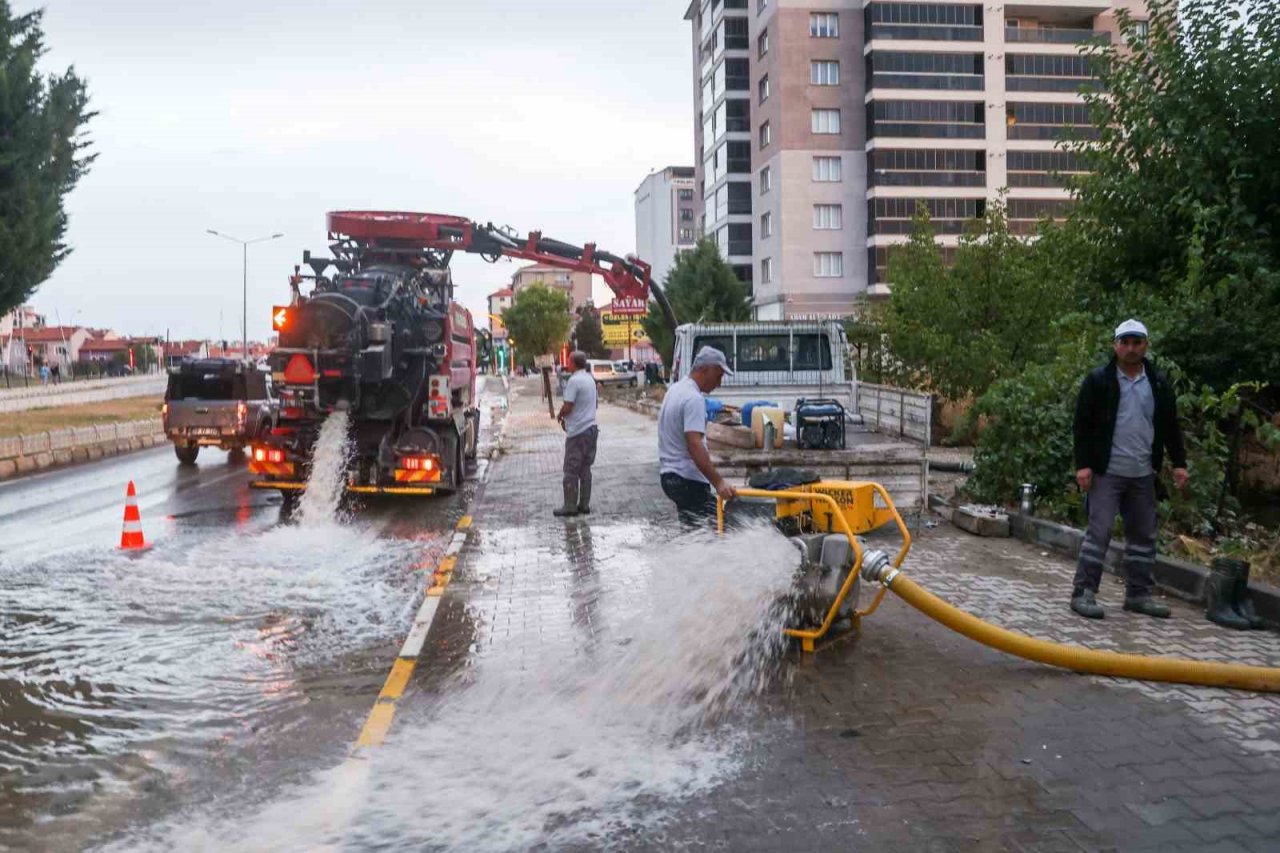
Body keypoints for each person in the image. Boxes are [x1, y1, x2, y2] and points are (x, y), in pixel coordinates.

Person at [1070, 319, 1189, 620]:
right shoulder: (1099, 381)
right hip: (1106, 471)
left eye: (1137, 342)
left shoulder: (1158, 384)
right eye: (1125, 342)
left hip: (1142, 473)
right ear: (1116, 345)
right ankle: (1084, 592)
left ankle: (1138, 594)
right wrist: (1083, 465)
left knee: (1144, 535)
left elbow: (1169, 426)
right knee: (1100, 531)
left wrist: (1179, 463)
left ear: (1145, 346)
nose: (1131, 348)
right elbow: (1082, 425)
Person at [658, 345, 738, 525]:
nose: (719, 383)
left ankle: (688, 553)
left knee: (694, 533)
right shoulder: (693, 399)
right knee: (722, 529)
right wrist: (719, 483)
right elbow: (694, 444)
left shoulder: (675, 390)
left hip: (670, 476)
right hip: (687, 480)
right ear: (704, 369)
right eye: (718, 376)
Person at [554, 351, 599, 518]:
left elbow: (568, 405)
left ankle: (570, 506)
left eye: (569, 360)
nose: (568, 363)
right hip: (592, 429)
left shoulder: (574, 381)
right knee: (585, 468)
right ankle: (584, 504)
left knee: (571, 470)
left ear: (574, 363)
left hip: (578, 432)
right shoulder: (589, 379)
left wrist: (560, 415)